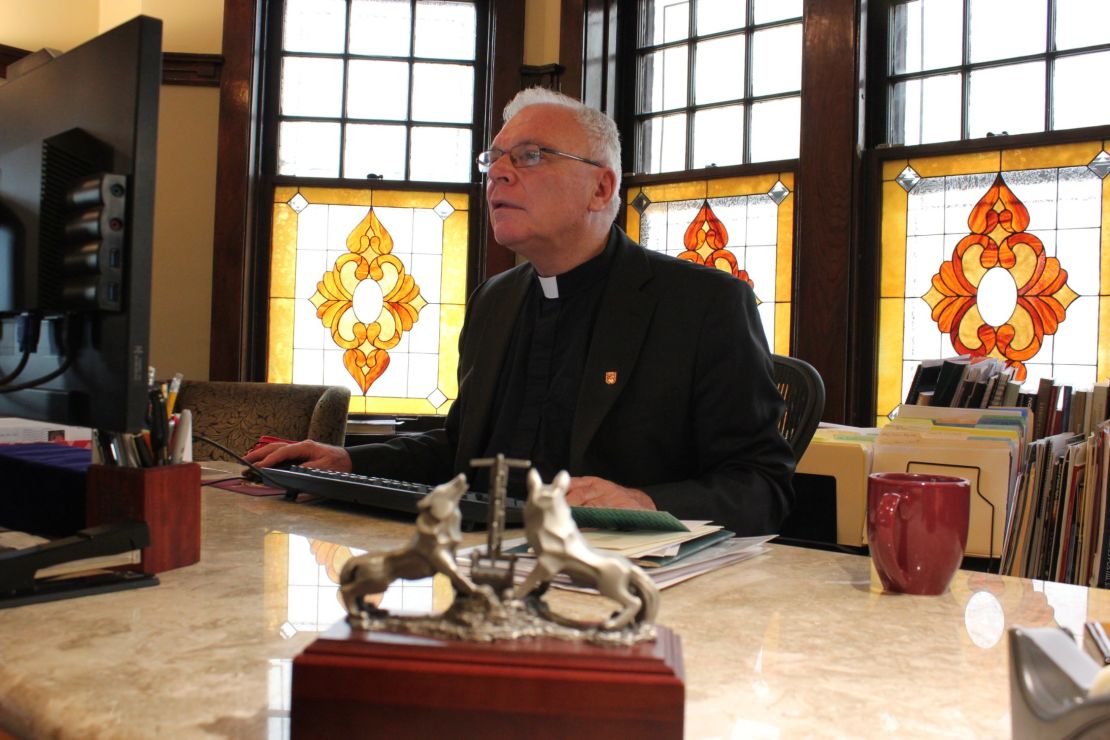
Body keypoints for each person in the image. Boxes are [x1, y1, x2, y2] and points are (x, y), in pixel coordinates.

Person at [246, 88, 795, 536]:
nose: (498, 174)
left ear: (601, 188)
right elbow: (459, 450)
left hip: (620, 590)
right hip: (481, 564)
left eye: (530, 156)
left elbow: (761, 486)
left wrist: (644, 500)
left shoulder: (702, 304)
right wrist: (349, 461)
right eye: (495, 159)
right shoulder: (495, 299)